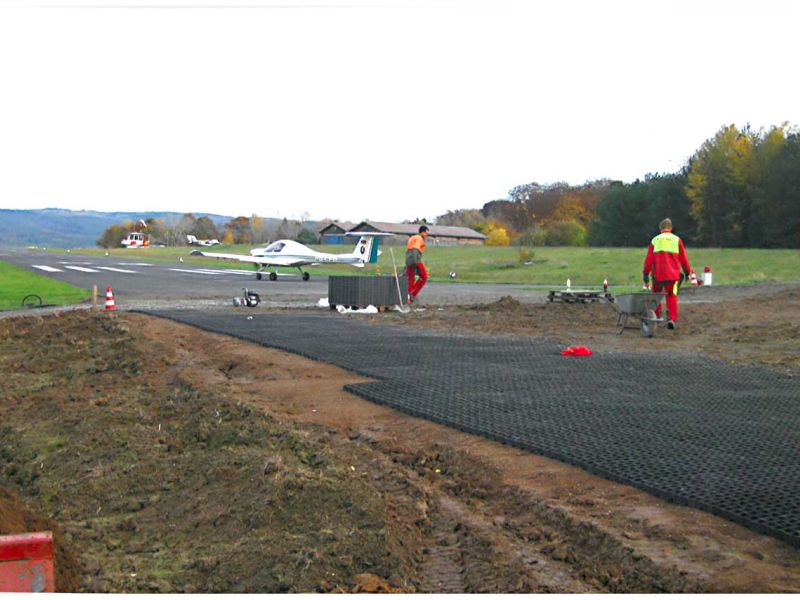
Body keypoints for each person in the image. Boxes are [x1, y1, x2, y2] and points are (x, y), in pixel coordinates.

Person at [643, 218, 693, 330]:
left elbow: (649, 260)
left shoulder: (655, 240)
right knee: (672, 295)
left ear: (660, 229)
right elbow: (684, 258)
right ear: (670, 228)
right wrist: (687, 272)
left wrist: (645, 274)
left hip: (657, 276)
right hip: (673, 277)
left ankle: (656, 316)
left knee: (656, 295)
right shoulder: (677, 240)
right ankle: (671, 318)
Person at [405, 225, 429, 304]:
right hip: (415, 260)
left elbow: (409, 250)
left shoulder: (412, 238)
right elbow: (415, 249)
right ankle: (413, 294)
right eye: (426, 233)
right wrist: (415, 262)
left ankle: (408, 298)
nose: (426, 235)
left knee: (411, 280)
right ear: (422, 232)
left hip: (408, 260)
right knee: (424, 277)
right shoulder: (419, 239)